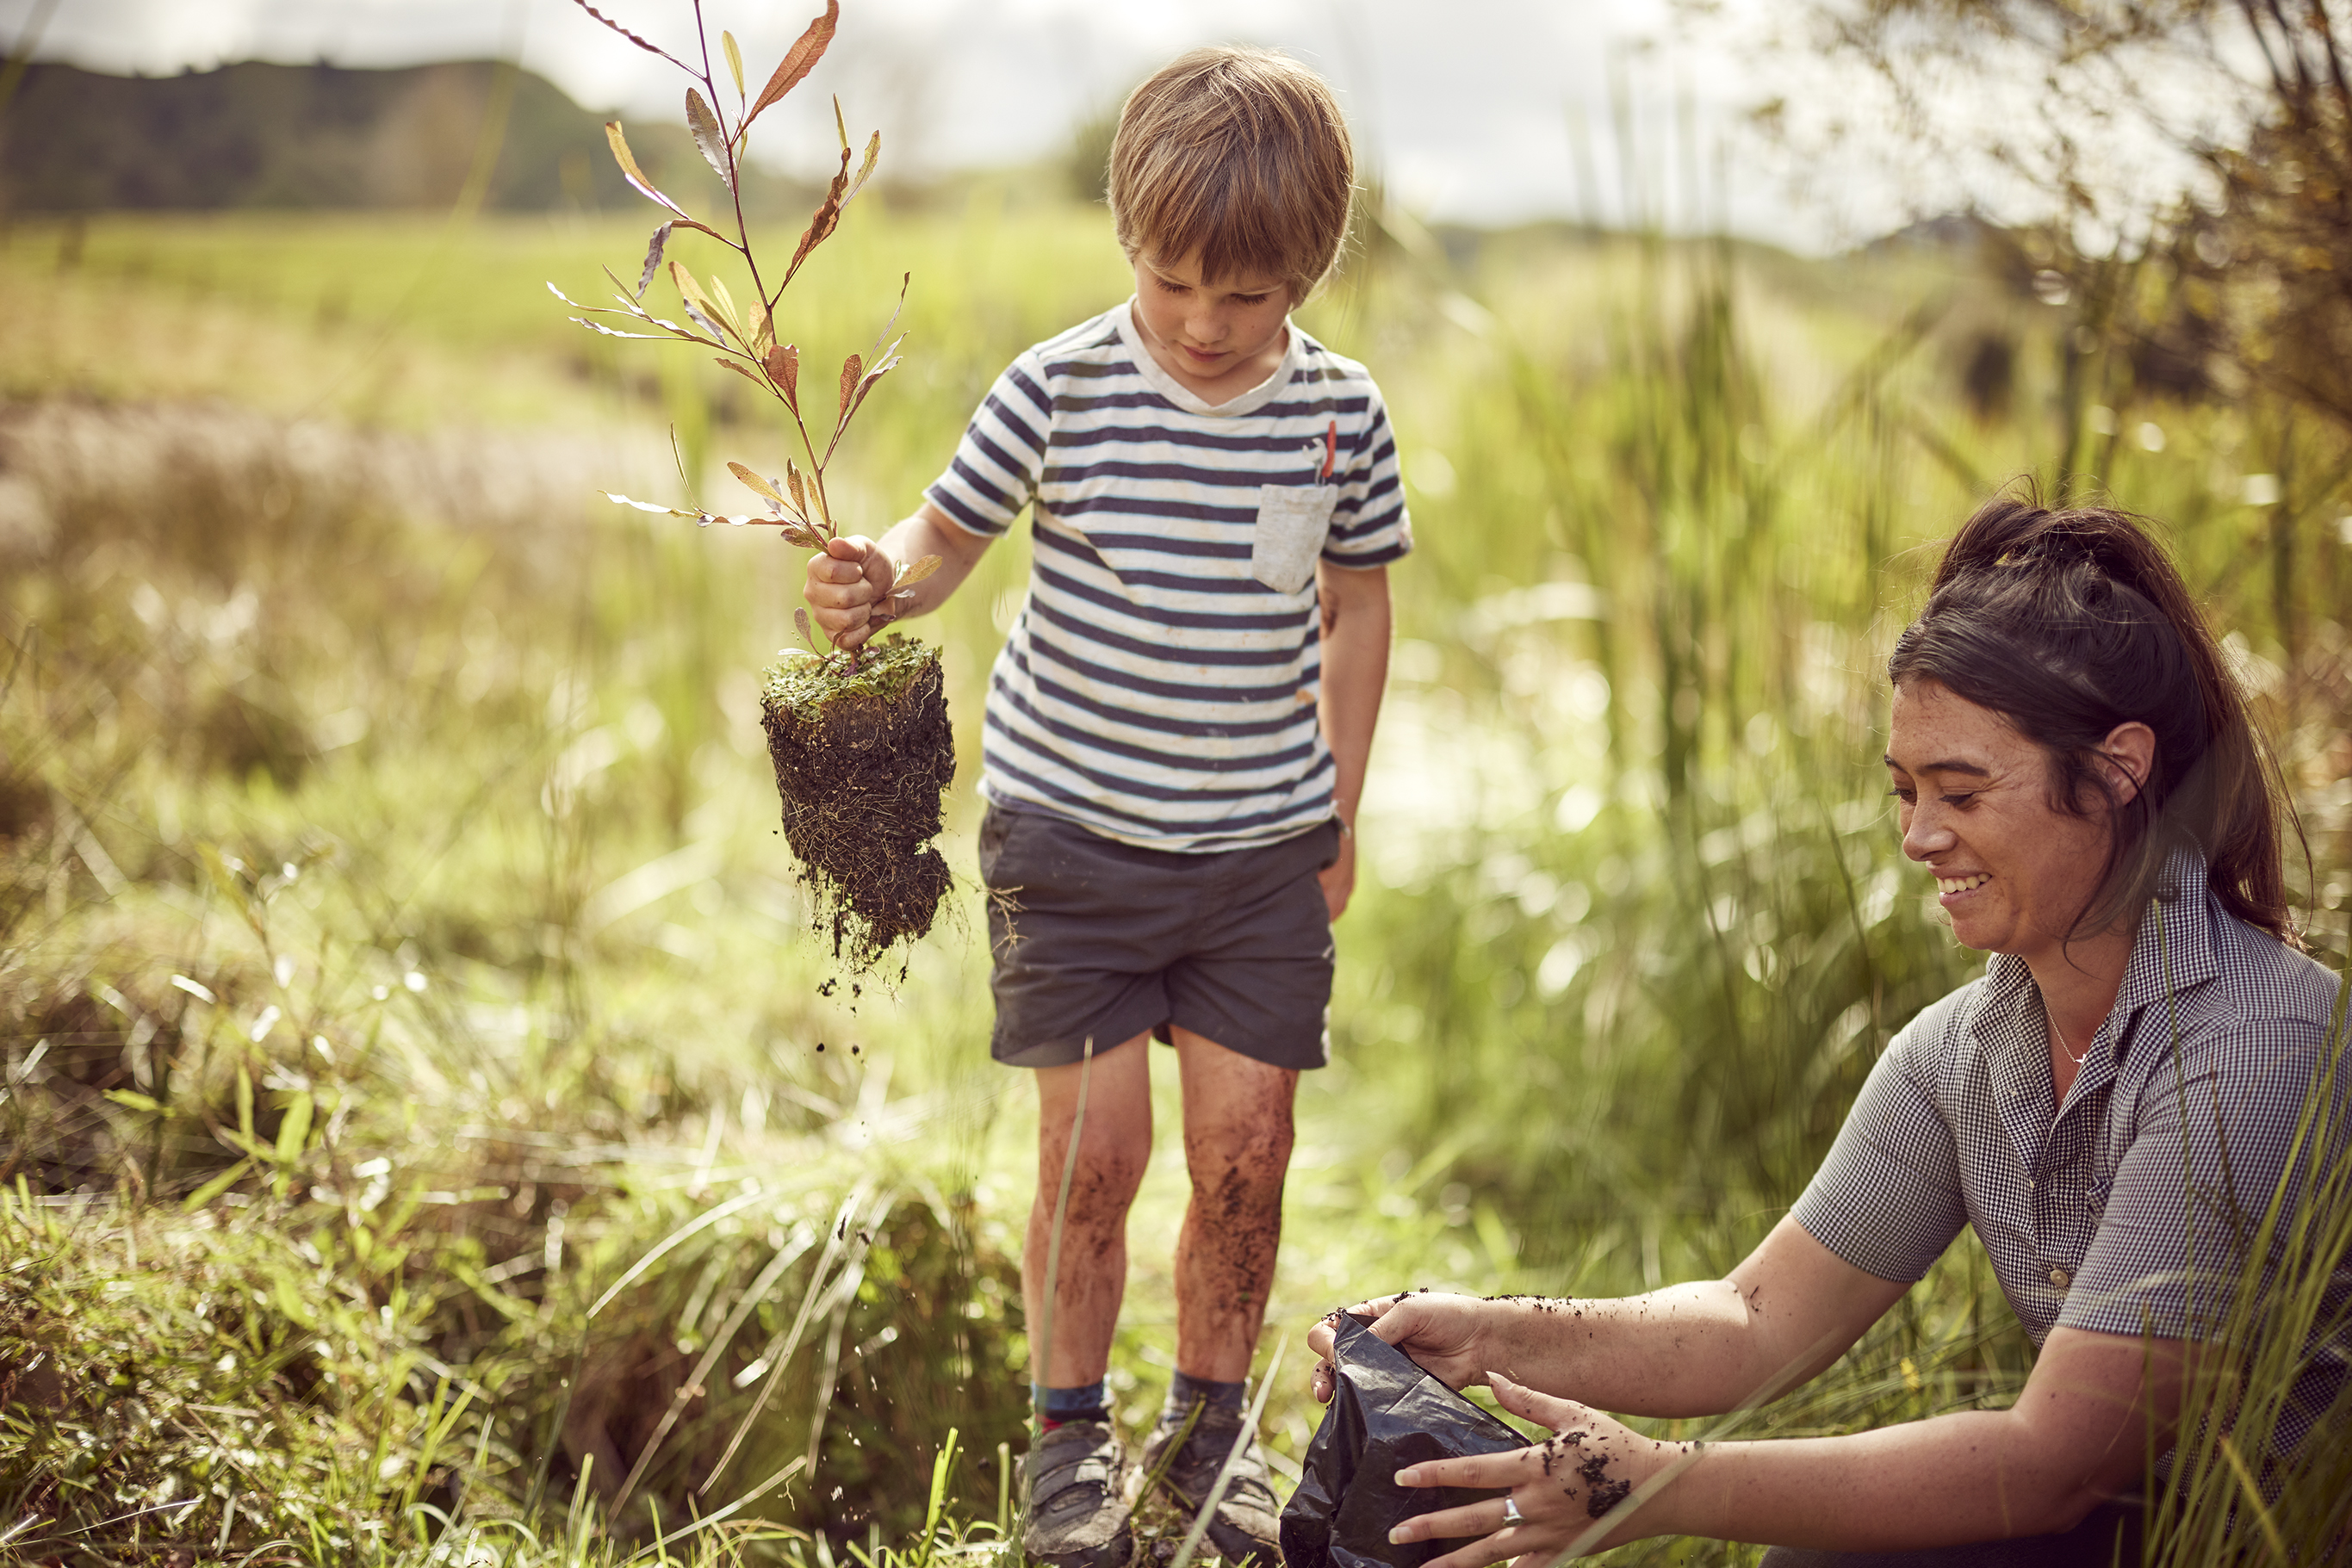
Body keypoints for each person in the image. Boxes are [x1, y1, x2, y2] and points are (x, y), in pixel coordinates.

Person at [1306, 498, 2343, 1565]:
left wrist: (1647, 1485)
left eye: (1961, 791)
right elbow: (1753, 1320)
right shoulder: (1963, 1053)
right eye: (1903, 792)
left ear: (2120, 769)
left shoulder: (2256, 1047)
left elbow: (2050, 1464)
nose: (1918, 836)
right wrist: (1485, 1333)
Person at [803, 45, 1408, 1568]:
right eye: (1173, 283)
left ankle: (1212, 1435)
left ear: (1307, 273)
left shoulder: (1342, 419)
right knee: (1095, 1161)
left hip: (1258, 853)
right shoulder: (1059, 386)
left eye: (1247, 295)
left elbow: (1357, 611)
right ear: (1126, 243)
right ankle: (1067, 1443)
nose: (1205, 325)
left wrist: (1338, 806)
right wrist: (876, 580)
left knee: (1245, 1154)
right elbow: (942, 541)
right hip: (1068, 835)